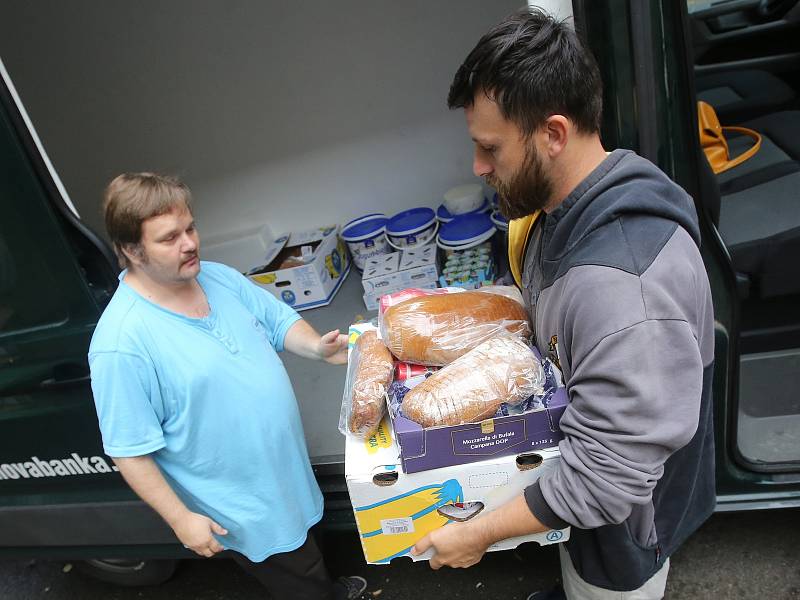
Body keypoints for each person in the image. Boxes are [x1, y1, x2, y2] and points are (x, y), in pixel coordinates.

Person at [412, 8, 715, 600]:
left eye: (489, 148)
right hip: (578, 496)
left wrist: (480, 535)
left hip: (623, 535)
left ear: (553, 134)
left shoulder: (625, 289)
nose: (477, 167)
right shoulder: (563, 209)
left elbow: (604, 483)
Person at [89, 173, 368, 600]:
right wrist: (181, 519)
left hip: (285, 469)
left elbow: (276, 319)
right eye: (169, 238)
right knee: (296, 576)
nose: (189, 244)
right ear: (131, 250)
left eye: (190, 228)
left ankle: (326, 585)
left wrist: (315, 347)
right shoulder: (120, 344)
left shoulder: (216, 277)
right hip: (243, 501)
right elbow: (129, 451)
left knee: (309, 541)